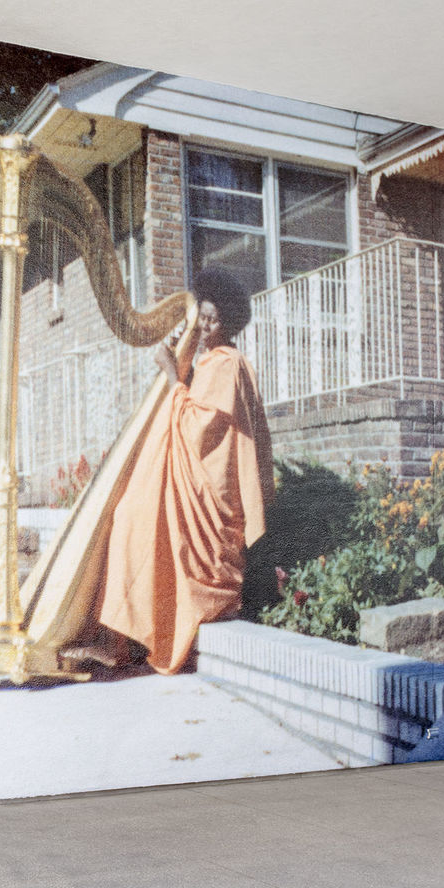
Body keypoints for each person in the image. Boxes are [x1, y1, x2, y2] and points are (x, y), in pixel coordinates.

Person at [66, 267, 274, 675]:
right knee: (130, 518)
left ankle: (125, 640)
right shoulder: (214, 362)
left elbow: (201, 430)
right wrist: (182, 373)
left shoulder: (226, 363)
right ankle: (124, 637)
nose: (208, 325)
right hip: (197, 488)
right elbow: (198, 405)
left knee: (133, 522)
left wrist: (169, 374)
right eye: (204, 318)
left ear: (228, 323)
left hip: (208, 496)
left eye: (215, 320)